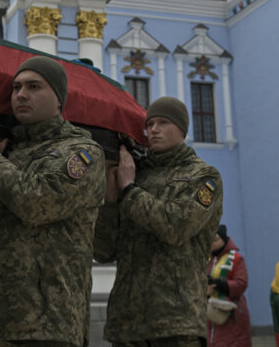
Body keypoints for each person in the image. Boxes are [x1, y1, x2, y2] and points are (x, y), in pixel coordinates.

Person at [0, 55, 105, 346]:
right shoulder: (4, 151)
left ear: (59, 99)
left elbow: (36, 203)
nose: (21, 95)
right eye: (17, 87)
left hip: (43, 326)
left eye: (34, 87)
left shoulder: (81, 152)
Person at [95, 96, 224, 346]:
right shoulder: (134, 174)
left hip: (175, 322)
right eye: (150, 124)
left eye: (163, 122)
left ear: (182, 129)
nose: (153, 130)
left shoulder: (204, 176)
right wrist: (110, 202)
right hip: (126, 324)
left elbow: (176, 227)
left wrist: (130, 190)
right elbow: (104, 251)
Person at [207, 224, 252, 347]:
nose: (212, 244)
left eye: (215, 240)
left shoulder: (236, 259)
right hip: (209, 316)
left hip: (232, 315)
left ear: (224, 240)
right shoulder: (205, 260)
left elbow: (241, 283)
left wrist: (218, 284)